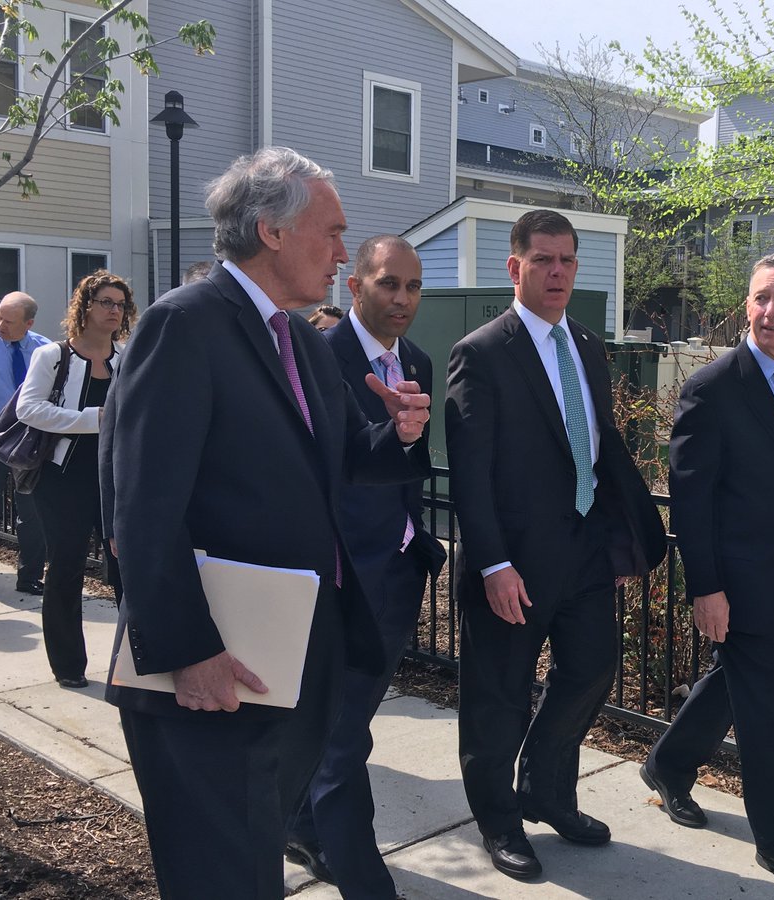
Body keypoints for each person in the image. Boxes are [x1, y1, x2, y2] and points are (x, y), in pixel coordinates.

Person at [100, 147, 432, 900]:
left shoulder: (303, 342)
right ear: (272, 231)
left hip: (288, 658)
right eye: (333, 232)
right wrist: (190, 651)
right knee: (221, 876)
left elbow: (344, 459)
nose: (344, 252)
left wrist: (401, 435)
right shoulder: (184, 324)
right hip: (208, 670)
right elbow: (143, 505)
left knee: (254, 864)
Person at [444, 209, 665, 880]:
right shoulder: (482, 353)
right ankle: (499, 820)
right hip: (512, 562)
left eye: (568, 259)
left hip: (585, 550)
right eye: (544, 260)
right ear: (515, 267)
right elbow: (470, 474)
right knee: (499, 696)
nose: (558, 271)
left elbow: (595, 449)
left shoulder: (588, 346)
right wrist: (493, 563)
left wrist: (615, 537)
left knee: (593, 666)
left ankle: (546, 789)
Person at [639, 254, 774, 893]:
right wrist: (705, 587)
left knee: (735, 682)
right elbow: (691, 499)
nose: (769, 311)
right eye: (760, 298)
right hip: (736, 581)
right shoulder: (713, 387)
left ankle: (669, 765)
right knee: (768, 708)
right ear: (746, 306)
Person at [285, 235, 444, 897]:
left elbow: (406, 464)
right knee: (345, 734)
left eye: (413, 286)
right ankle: (360, 873)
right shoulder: (318, 358)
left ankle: (301, 824)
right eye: (388, 283)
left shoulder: (419, 361)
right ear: (355, 285)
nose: (402, 298)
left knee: (345, 724)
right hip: (340, 576)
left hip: (399, 569)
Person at [18, 272, 134, 689]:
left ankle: (134, 662)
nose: (114, 310)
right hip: (62, 478)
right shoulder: (53, 355)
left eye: (120, 304)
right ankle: (68, 665)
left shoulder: (127, 357)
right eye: (106, 302)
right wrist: (93, 419)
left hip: (115, 477)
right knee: (66, 567)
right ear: (84, 306)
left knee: (126, 568)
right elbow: (29, 409)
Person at [0, 291, 50, 594]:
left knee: (31, 513)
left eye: (9, 321)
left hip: (29, 441)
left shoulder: (45, 350)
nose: (0, 325)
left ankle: (29, 577)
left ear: (28, 323)